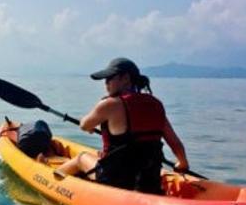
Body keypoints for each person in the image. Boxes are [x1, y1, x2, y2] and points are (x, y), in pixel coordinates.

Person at [53, 57, 189, 194]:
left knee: (81, 158)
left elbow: (84, 125)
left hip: (114, 180)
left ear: (126, 78)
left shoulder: (109, 104)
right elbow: (175, 142)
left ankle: (52, 178)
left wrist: (88, 125)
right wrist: (182, 164)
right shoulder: (156, 105)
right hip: (148, 181)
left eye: (110, 78)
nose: (106, 83)